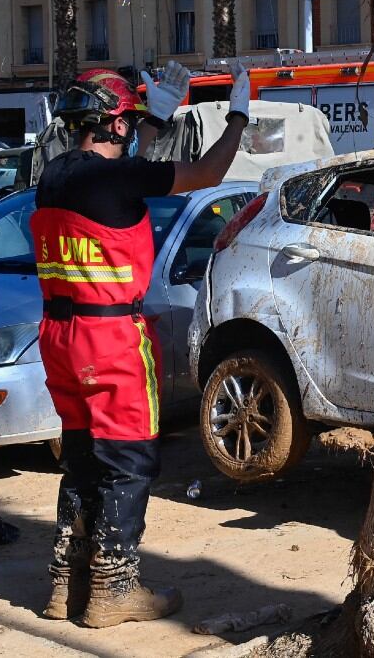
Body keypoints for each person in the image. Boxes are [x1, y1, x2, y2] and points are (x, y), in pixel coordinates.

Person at [30, 60, 252, 628]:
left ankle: (66, 585)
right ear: (114, 124)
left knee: (81, 458)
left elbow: (124, 169)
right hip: (111, 338)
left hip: (60, 336)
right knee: (128, 460)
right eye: (127, 119)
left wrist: (152, 117)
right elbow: (207, 173)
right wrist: (237, 116)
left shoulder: (55, 175)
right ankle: (112, 590)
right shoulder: (118, 179)